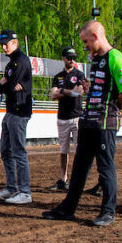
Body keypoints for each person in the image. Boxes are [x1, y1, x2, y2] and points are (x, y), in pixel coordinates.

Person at [42, 20, 122, 227]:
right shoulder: (97, 60)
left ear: (96, 36)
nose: (84, 47)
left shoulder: (115, 57)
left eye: (86, 41)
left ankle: (108, 211)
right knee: (80, 168)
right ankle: (67, 208)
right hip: (88, 122)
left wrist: (108, 109)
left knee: (105, 167)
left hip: (104, 123)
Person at [0, 30, 33, 205]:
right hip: (10, 111)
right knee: (5, 151)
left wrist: (5, 86)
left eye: (6, 43)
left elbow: (7, 87)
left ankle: (25, 191)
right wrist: (6, 85)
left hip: (19, 112)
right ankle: (11, 187)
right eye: (2, 44)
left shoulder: (22, 61)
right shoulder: (11, 64)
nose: (3, 47)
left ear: (15, 43)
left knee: (18, 152)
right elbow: (6, 86)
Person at [48, 46, 87, 191]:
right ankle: (63, 179)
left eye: (74, 58)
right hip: (62, 117)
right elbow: (53, 95)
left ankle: (76, 180)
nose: (72, 60)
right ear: (63, 58)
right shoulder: (58, 76)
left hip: (77, 116)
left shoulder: (80, 74)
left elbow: (80, 93)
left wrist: (62, 91)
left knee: (79, 151)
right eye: (69, 57)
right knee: (63, 150)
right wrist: (70, 92)